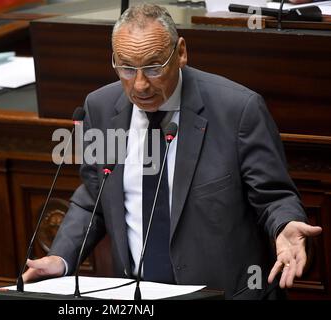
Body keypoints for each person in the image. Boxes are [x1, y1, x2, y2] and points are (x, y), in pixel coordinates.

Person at [22, 3, 322, 299]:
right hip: (135, 297)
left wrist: (285, 225)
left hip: (222, 294)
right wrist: (61, 258)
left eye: (153, 68)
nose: (139, 85)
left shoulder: (238, 110)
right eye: (126, 68)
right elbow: (94, 198)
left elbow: (273, 196)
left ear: (180, 53)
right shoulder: (99, 108)